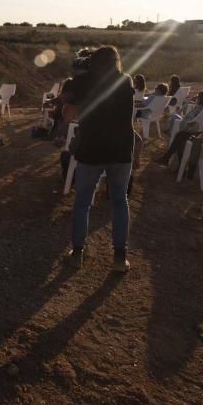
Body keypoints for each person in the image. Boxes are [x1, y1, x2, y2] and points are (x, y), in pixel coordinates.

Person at [67, 46, 135, 273]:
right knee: (119, 202)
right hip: (122, 150)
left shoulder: (83, 81)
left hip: (92, 149)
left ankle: (77, 253)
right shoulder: (126, 81)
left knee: (83, 202)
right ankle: (119, 256)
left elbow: (69, 114)